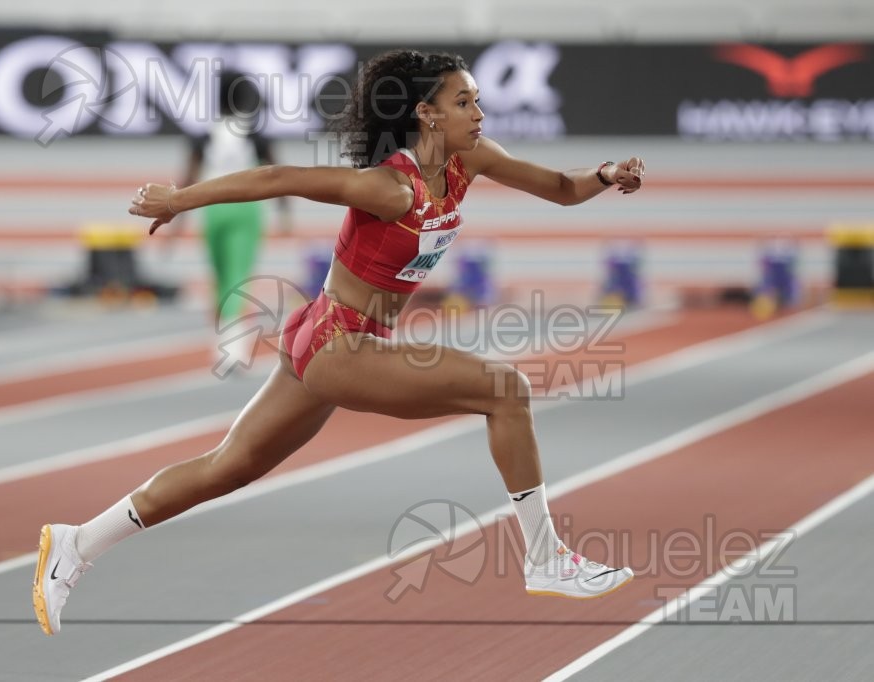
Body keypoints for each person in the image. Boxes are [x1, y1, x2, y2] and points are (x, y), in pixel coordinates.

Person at [32, 50, 645, 636]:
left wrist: (606, 175)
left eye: (478, 101)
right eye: (465, 102)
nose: (479, 114)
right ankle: (545, 557)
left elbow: (563, 189)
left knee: (229, 467)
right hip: (338, 344)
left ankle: (77, 542)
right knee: (505, 391)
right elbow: (279, 177)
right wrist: (180, 199)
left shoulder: (473, 158)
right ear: (427, 114)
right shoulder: (389, 189)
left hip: (327, 335)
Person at [176, 70, 292, 365]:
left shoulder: (204, 136)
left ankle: (220, 342)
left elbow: (187, 178)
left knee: (218, 276)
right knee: (238, 277)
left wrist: (174, 216)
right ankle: (233, 347)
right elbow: (277, 174)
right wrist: (283, 211)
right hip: (245, 209)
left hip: (213, 209)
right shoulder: (255, 136)